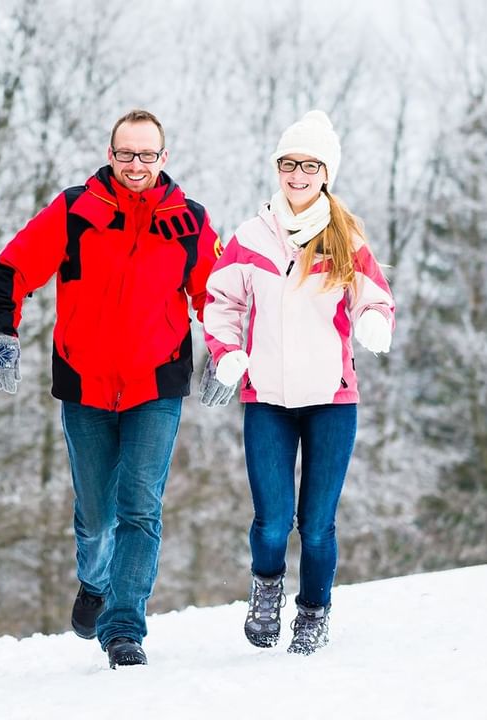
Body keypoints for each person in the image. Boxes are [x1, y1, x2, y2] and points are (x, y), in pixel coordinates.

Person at [0, 109, 220, 668]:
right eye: (126, 153)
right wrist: (2, 332)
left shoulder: (189, 220)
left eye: (147, 155)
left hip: (156, 384)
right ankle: (94, 581)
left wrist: (223, 351)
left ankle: (123, 629)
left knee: (140, 508)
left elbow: (215, 294)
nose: (136, 165)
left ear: (163, 157)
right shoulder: (75, 210)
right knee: (95, 516)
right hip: (84, 383)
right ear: (110, 154)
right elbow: (13, 268)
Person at [200, 110, 396, 655]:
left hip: (331, 399)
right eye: (289, 164)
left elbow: (374, 296)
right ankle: (266, 592)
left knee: (316, 525)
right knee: (270, 522)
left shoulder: (345, 238)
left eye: (310, 166)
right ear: (278, 168)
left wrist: (373, 320)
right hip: (267, 398)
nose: (298, 175)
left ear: (326, 173)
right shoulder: (249, 238)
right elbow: (221, 302)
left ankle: (313, 612)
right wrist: (227, 352)